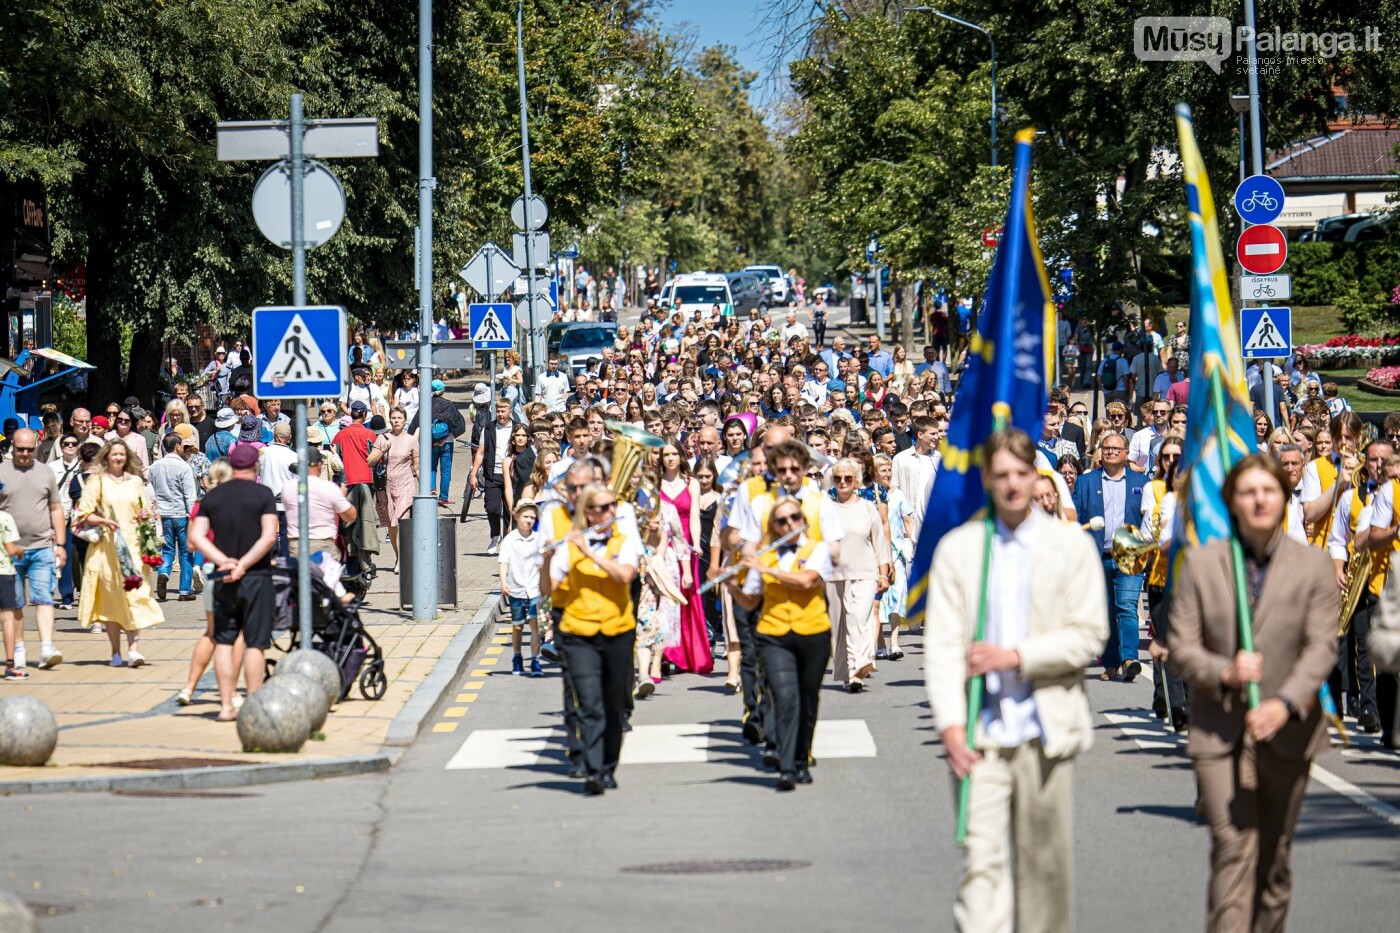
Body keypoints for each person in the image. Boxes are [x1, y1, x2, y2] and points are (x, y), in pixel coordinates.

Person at [923, 428, 1107, 933]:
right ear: (987, 479)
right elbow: (940, 647)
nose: (1011, 485)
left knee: (1044, 873)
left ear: (1035, 477)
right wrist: (950, 728)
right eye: (1000, 475)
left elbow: (1090, 635)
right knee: (981, 870)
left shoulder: (1069, 546)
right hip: (981, 736)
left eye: (1020, 474)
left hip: (1045, 733)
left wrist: (1016, 656)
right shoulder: (961, 550)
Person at [1168, 454, 1336, 933]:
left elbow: (1322, 646)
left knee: (1273, 859)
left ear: (1285, 497)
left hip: (1288, 730)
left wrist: (1284, 703)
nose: (1260, 499)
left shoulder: (1315, 566)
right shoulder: (1201, 564)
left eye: (1269, 490)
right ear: (1231, 503)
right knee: (1233, 848)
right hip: (1219, 730)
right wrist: (1224, 670)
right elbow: (1180, 645)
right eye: (1248, 491)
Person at [724, 496, 833, 790]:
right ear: (773, 526)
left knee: (808, 700)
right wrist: (731, 585)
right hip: (774, 635)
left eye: (794, 518)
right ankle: (786, 766)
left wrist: (765, 569)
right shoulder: (765, 555)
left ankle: (801, 759)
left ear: (803, 521)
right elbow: (750, 602)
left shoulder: (818, 549)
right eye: (782, 520)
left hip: (813, 633)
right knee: (785, 698)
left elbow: (807, 581)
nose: (789, 524)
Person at [542, 483, 641, 796]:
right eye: (603, 507)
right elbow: (549, 588)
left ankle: (608, 764)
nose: (611, 512)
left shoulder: (624, 541)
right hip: (578, 632)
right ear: (588, 512)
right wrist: (546, 558)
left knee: (613, 704)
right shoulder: (569, 546)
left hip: (617, 631)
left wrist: (588, 552)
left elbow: (624, 576)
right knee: (588, 702)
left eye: (613, 505)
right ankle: (593, 769)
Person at [190, 445, 281, 722]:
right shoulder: (263, 494)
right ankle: (252, 706)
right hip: (256, 577)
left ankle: (226, 705)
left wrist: (225, 560)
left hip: (223, 577)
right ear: (256, 467)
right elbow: (268, 537)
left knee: (224, 641)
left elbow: (197, 536)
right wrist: (243, 564)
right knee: (255, 643)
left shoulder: (214, 497)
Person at [73, 440, 164, 666]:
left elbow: (144, 511)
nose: (118, 458)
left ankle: (134, 650)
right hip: (106, 547)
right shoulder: (98, 481)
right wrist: (105, 520)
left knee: (136, 595)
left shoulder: (135, 482)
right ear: (106, 456)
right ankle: (115, 652)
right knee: (112, 599)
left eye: (122, 454)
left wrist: (145, 514)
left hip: (132, 546)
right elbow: (83, 514)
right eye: (114, 454)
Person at [1071, 429, 1148, 682]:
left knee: (1126, 607)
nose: (1111, 451)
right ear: (1099, 453)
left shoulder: (1141, 483)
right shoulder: (1087, 481)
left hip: (1130, 557)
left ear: (1127, 453)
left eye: (1116, 448)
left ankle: (1129, 659)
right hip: (1097, 557)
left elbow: (1148, 520)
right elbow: (1078, 519)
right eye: (1106, 448)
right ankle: (1111, 663)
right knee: (1105, 611)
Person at [0, 428, 67, 671]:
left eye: (30, 449)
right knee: (14, 603)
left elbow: (55, 508)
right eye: (20, 450)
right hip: (9, 551)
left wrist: (60, 544)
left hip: (41, 547)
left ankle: (47, 648)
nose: (25, 454)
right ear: (12, 446)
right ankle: (18, 649)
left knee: (44, 598)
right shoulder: (1, 471)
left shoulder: (45, 472)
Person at [827, 458, 891, 692]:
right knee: (840, 625)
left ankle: (858, 668)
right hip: (834, 575)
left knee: (857, 617)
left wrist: (883, 573)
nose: (843, 482)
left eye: (848, 478)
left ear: (856, 481)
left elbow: (879, 542)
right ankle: (848, 671)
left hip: (865, 573)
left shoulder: (867, 507)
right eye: (838, 478)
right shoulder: (828, 509)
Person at [657, 437, 712, 675]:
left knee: (686, 599)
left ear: (681, 456)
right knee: (663, 598)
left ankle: (685, 654)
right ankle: (665, 654)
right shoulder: (656, 482)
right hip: (662, 544)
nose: (670, 458)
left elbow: (695, 517)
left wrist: (696, 543)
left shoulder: (692, 483)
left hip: (686, 545)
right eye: (666, 454)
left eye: (673, 454)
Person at [148, 433, 198, 601]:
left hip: (163, 514)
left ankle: (163, 573)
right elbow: (189, 495)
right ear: (177, 446)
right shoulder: (184, 467)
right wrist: (193, 516)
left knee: (167, 549)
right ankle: (184, 590)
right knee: (185, 552)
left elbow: (151, 491)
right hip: (181, 513)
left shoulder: (155, 466)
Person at [499, 500, 544, 677]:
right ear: (517, 516)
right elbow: (504, 562)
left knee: (535, 626)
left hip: (534, 589)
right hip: (516, 588)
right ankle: (517, 657)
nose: (529, 520)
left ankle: (535, 660)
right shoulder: (510, 540)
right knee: (517, 626)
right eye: (525, 516)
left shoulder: (539, 539)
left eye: (532, 517)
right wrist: (503, 582)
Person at [471, 396, 517, 553]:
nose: (500, 414)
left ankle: (507, 539)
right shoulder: (489, 428)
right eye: (498, 411)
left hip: (511, 474)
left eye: (503, 411)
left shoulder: (517, 428)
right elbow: (480, 452)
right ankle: (495, 535)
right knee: (492, 508)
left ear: (510, 412)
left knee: (510, 508)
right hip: (493, 473)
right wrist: (473, 473)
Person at [377, 407, 419, 568]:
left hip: (406, 485)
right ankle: (399, 556)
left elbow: (417, 467)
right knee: (391, 525)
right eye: (393, 418)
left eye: (399, 418)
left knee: (400, 521)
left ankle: (403, 560)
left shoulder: (411, 440)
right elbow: (370, 461)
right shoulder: (383, 438)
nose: (396, 421)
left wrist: (426, 490)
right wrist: (382, 451)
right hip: (388, 486)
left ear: (405, 420)